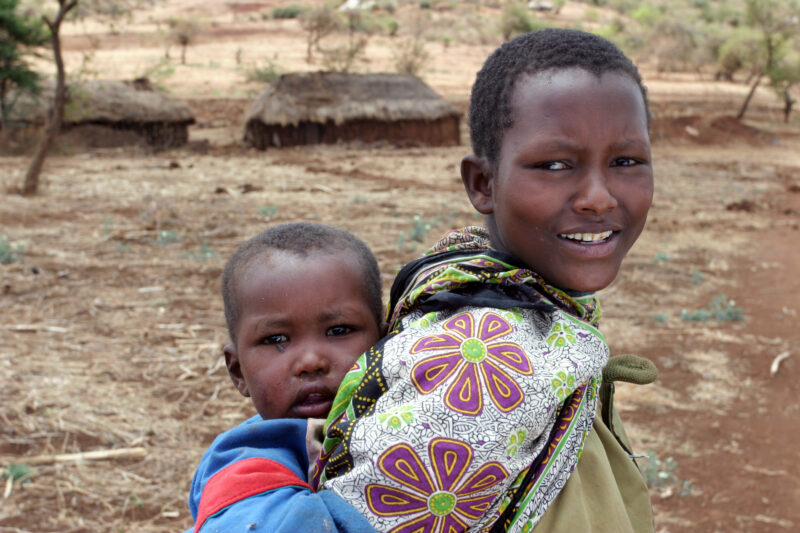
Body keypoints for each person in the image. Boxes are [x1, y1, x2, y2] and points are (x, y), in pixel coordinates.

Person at [314, 28, 657, 532]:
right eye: (554, 165)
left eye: (626, 162)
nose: (598, 198)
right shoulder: (481, 362)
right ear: (483, 183)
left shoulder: (527, 302)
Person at [185, 222, 383, 533]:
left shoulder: (410, 420)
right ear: (238, 372)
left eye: (339, 331)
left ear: (387, 345)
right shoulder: (245, 473)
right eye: (276, 339)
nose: (310, 362)